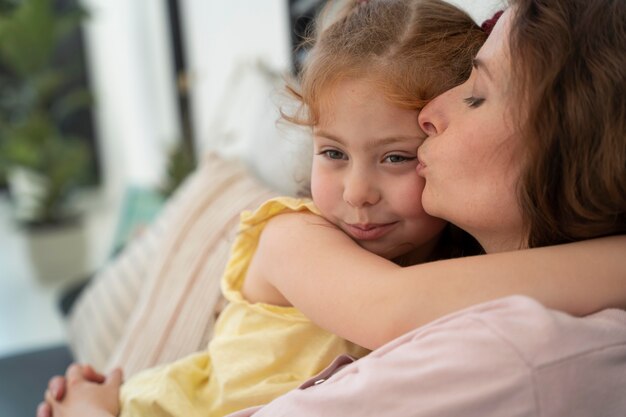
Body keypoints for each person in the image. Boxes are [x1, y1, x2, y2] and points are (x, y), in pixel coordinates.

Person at [38, 0, 626, 416]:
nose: (357, 192)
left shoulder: (458, 267)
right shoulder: (292, 235)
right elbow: (388, 307)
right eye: (333, 153)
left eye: (397, 158)